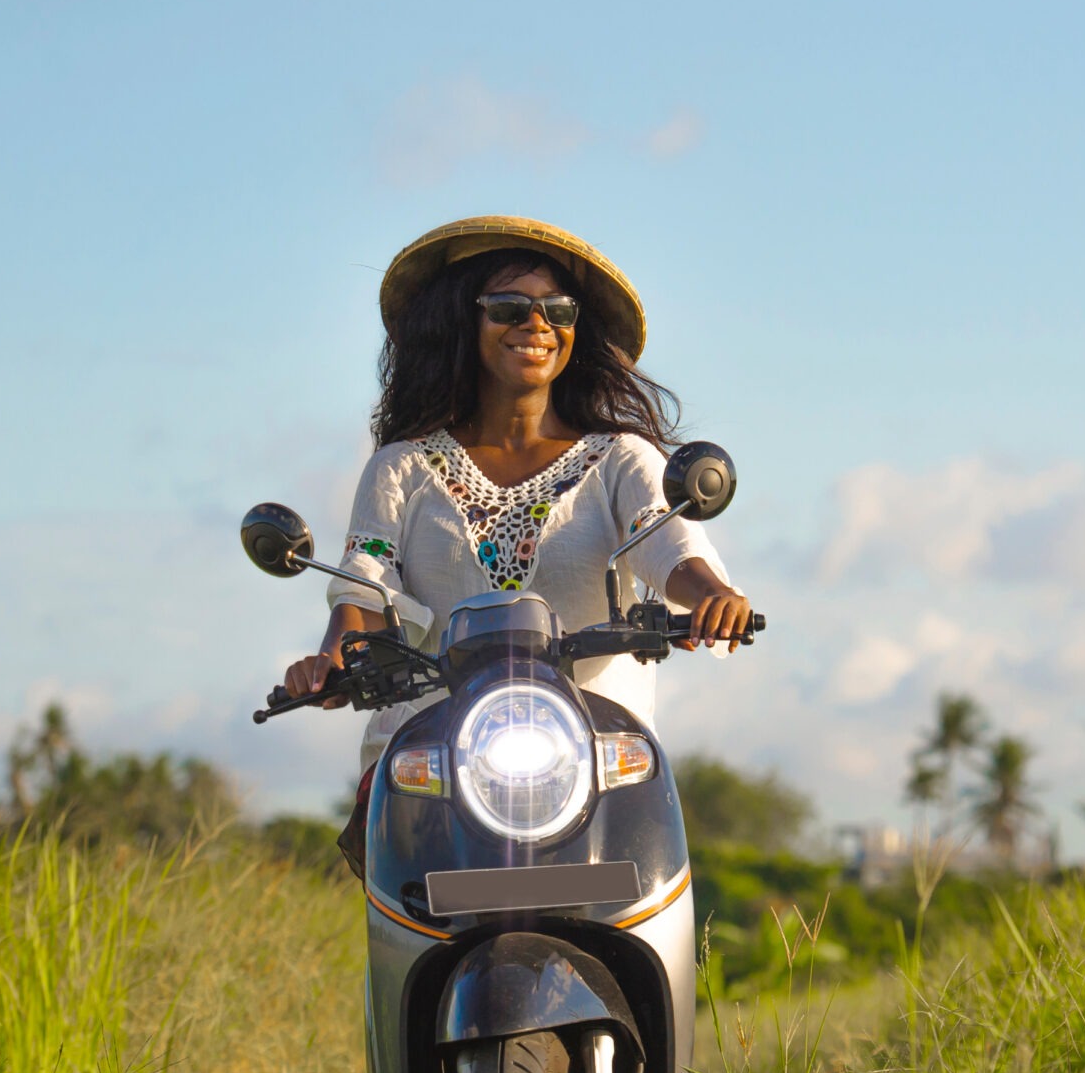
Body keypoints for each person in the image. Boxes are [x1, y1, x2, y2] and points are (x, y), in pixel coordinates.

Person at [283, 216, 753, 874]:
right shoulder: (402, 467)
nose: (536, 325)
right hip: (439, 764)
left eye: (556, 310)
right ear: (462, 323)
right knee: (406, 905)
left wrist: (714, 596)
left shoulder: (620, 459)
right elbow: (367, 581)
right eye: (508, 308)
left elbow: (664, 539)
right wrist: (334, 654)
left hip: (589, 758)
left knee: (648, 887)